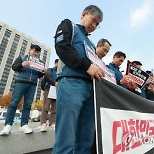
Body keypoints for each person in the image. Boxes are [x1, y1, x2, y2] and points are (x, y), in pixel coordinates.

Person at [53, 5, 104, 154]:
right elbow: (62, 48)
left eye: (97, 24)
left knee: (86, 138)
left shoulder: (92, 45)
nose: (94, 26)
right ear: (84, 14)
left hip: (90, 89)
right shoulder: (69, 25)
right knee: (66, 136)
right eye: (93, 20)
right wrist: (87, 66)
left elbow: (96, 66)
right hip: (71, 83)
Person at [0, 44, 46, 135]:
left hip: (32, 85)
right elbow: (14, 67)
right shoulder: (22, 57)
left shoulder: (40, 62)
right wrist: (22, 64)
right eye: (34, 51)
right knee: (14, 102)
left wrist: (43, 72)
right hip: (21, 81)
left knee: (28, 104)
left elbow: (39, 75)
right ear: (30, 50)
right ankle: (8, 125)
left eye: (37, 52)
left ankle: (24, 124)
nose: (36, 53)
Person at [92, 38, 111, 154]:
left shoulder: (104, 66)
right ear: (97, 46)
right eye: (104, 50)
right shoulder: (88, 56)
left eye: (107, 52)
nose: (105, 53)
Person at [40, 59, 58, 131]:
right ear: (55, 63)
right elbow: (47, 77)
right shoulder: (50, 70)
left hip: (57, 91)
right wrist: (54, 83)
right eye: (58, 63)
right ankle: (43, 123)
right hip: (49, 89)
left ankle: (52, 123)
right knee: (46, 106)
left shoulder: (61, 72)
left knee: (54, 108)